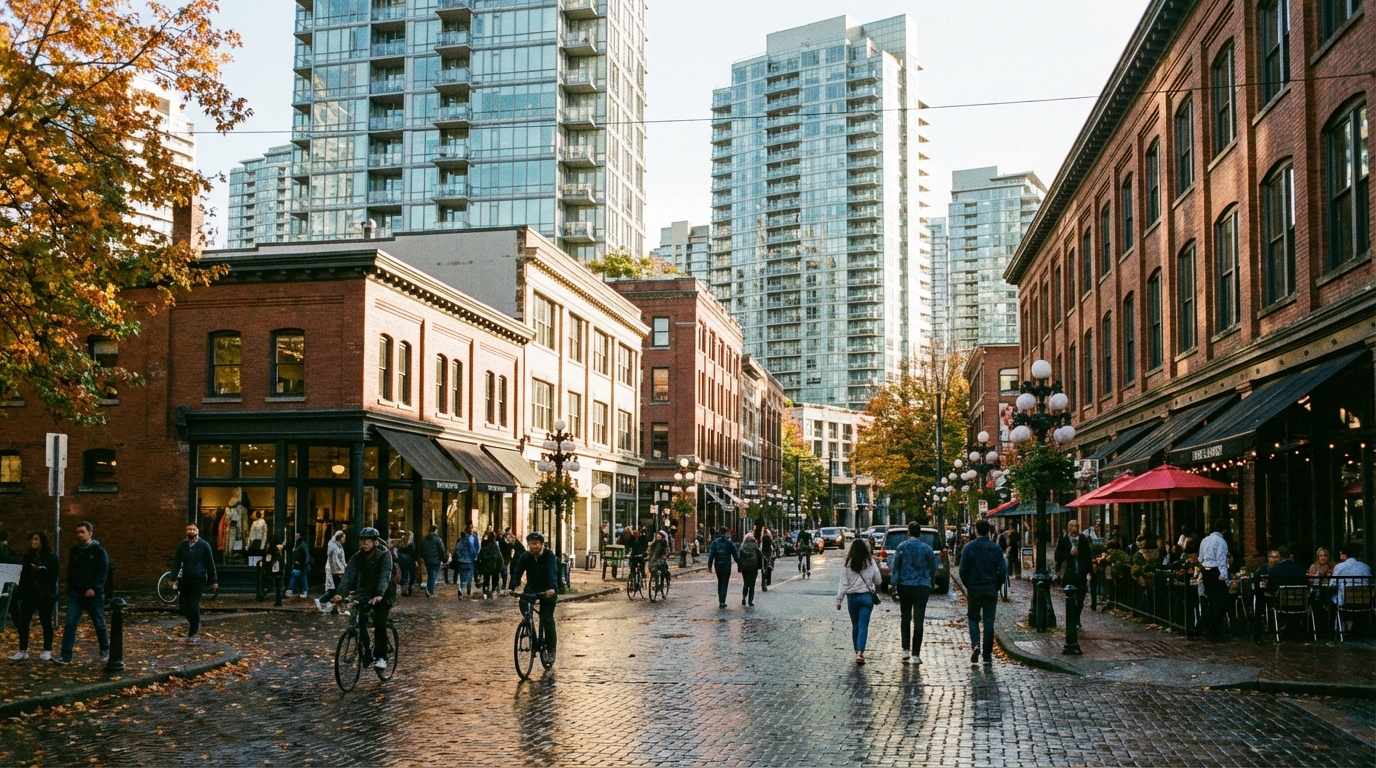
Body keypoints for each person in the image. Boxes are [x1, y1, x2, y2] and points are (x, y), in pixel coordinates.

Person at [337, 527, 396, 671]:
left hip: (384, 592)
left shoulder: (384, 555)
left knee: (379, 621)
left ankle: (382, 656)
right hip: (366, 591)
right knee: (359, 619)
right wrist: (340, 593)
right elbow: (349, 574)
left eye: (367, 542)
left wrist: (380, 594)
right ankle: (367, 651)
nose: (364, 545)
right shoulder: (358, 557)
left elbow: (385, 575)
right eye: (362, 542)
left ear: (375, 542)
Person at [58, 521, 109, 665]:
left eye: (82, 532)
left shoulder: (99, 552)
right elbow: (71, 571)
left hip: (94, 595)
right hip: (76, 594)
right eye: (77, 532)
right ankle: (66, 655)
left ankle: (105, 649)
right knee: (70, 624)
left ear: (90, 533)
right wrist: (70, 589)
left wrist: (95, 588)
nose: (79, 535)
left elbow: (103, 572)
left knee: (99, 622)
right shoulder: (74, 551)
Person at [890, 521, 939, 664]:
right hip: (921, 587)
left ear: (909, 532)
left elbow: (895, 568)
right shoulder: (927, 549)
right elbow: (933, 567)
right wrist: (931, 581)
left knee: (905, 618)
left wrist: (894, 586)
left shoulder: (902, 547)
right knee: (919, 620)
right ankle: (916, 654)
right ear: (920, 533)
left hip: (905, 586)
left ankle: (905, 649)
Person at [959, 518, 1006, 666]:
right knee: (989, 621)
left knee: (973, 618)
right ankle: (987, 655)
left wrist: (969, 584)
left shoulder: (968, 548)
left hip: (974, 588)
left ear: (975, 530)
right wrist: (996, 585)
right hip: (990, 588)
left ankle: (976, 644)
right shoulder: (996, 548)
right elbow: (1003, 571)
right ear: (988, 531)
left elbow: (962, 570)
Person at [509, 531, 559, 664]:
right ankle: (533, 636)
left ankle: (551, 650)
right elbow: (517, 571)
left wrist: (552, 589)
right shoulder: (526, 556)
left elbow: (552, 572)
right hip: (532, 588)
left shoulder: (549, 556)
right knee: (524, 606)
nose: (534, 546)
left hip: (548, 589)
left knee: (547, 617)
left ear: (542, 544)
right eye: (531, 544)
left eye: (536, 544)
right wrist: (511, 587)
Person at [9, 532, 59, 661]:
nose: (33, 541)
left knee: (46, 622)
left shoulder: (51, 558)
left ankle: (47, 650)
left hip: (45, 595)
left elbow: (53, 577)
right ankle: (22, 650)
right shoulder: (28, 557)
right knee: (23, 622)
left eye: (36, 539)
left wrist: (40, 572)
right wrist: (21, 592)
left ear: (42, 541)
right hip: (30, 594)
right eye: (32, 539)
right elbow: (24, 576)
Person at [168, 523, 218, 643]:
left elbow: (210, 564)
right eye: (188, 529)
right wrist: (172, 578)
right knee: (183, 607)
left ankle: (194, 629)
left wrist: (214, 580)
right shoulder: (182, 546)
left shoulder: (204, 545)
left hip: (199, 579)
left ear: (198, 531)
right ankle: (195, 622)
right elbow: (176, 562)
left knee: (194, 604)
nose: (191, 531)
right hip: (185, 579)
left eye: (193, 529)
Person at [835, 538, 882, 665]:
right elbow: (879, 580)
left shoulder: (848, 563)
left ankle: (857, 650)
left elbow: (843, 584)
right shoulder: (870, 562)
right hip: (866, 598)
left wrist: (839, 601)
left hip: (852, 598)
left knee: (855, 625)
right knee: (863, 626)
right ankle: (860, 652)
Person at [1055, 519, 1094, 628]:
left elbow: (1088, 556)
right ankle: (1072, 619)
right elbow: (1058, 556)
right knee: (1071, 598)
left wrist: (1089, 572)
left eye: (1075, 526)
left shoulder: (1083, 539)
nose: (1073, 529)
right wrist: (1069, 554)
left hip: (1081, 573)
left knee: (1081, 598)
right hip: (1069, 574)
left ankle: (1076, 618)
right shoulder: (1063, 539)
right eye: (1071, 526)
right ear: (1068, 528)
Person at [1197, 518, 1230, 642]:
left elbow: (1200, 559)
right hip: (1216, 573)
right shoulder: (1221, 542)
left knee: (1212, 602)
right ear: (1224, 530)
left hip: (1206, 572)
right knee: (1222, 603)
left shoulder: (1205, 540)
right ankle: (1212, 630)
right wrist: (1225, 578)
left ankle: (1201, 627)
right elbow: (1221, 561)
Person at [315, 531, 349, 613]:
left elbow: (341, 559)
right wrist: (340, 570)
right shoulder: (334, 547)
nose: (344, 540)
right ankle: (322, 601)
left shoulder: (339, 547)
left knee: (335, 590)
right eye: (343, 538)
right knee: (335, 590)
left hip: (336, 571)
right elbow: (335, 561)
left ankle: (334, 607)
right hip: (334, 571)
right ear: (340, 538)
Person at [706, 527, 739, 609]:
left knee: (720, 582)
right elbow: (735, 554)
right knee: (725, 582)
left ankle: (721, 600)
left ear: (719, 532)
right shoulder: (729, 542)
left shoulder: (715, 542)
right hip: (726, 565)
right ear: (727, 532)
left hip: (718, 565)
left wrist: (709, 566)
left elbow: (711, 555)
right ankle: (723, 601)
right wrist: (739, 563)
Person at [418, 525, 445, 598]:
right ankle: (430, 592)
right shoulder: (438, 539)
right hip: (436, 560)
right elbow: (441, 550)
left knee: (430, 575)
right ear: (435, 531)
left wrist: (424, 557)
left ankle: (429, 590)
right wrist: (443, 558)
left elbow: (421, 550)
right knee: (433, 576)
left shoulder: (424, 539)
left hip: (427, 560)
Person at [452, 525, 479, 599]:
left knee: (461, 577)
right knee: (469, 578)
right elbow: (472, 550)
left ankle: (460, 589)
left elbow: (456, 550)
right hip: (469, 562)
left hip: (461, 562)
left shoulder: (460, 542)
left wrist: (459, 557)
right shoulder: (469, 541)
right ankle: (468, 592)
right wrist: (474, 558)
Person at [477, 530, 503, 599]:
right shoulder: (494, 545)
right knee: (493, 580)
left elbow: (480, 556)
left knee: (486, 580)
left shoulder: (485, 544)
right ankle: (492, 591)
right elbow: (499, 556)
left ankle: (486, 592)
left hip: (487, 566)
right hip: (493, 565)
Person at [738, 532, 761, 606]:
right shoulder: (755, 547)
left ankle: (744, 598)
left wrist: (740, 567)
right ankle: (750, 601)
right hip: (753, 567)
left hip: (745, 568)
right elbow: (759, 557)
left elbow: (740, 559)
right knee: (752, 584)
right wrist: (759, 566)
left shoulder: (742, 547)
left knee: (746, 583)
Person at [286, 533, 310, 599]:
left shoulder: (302, 545)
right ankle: (292, 590)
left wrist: (303, 563)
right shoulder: (297, 545)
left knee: (302, 577)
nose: (296, 537)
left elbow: (307, 555)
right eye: (296, 536)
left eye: (298, 536)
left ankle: (304, 591)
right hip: (298, 565)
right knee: (296, 575)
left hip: (302, 565)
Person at [396, 531, 417, 597]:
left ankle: (403, 589)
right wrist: (415, 560)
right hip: (411, 561)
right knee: (412, 574)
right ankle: (410, 586)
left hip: (402, 561)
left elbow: (398, 552)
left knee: (404, 574)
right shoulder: (411, 543)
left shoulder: (401, 543)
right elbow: (413, 552)